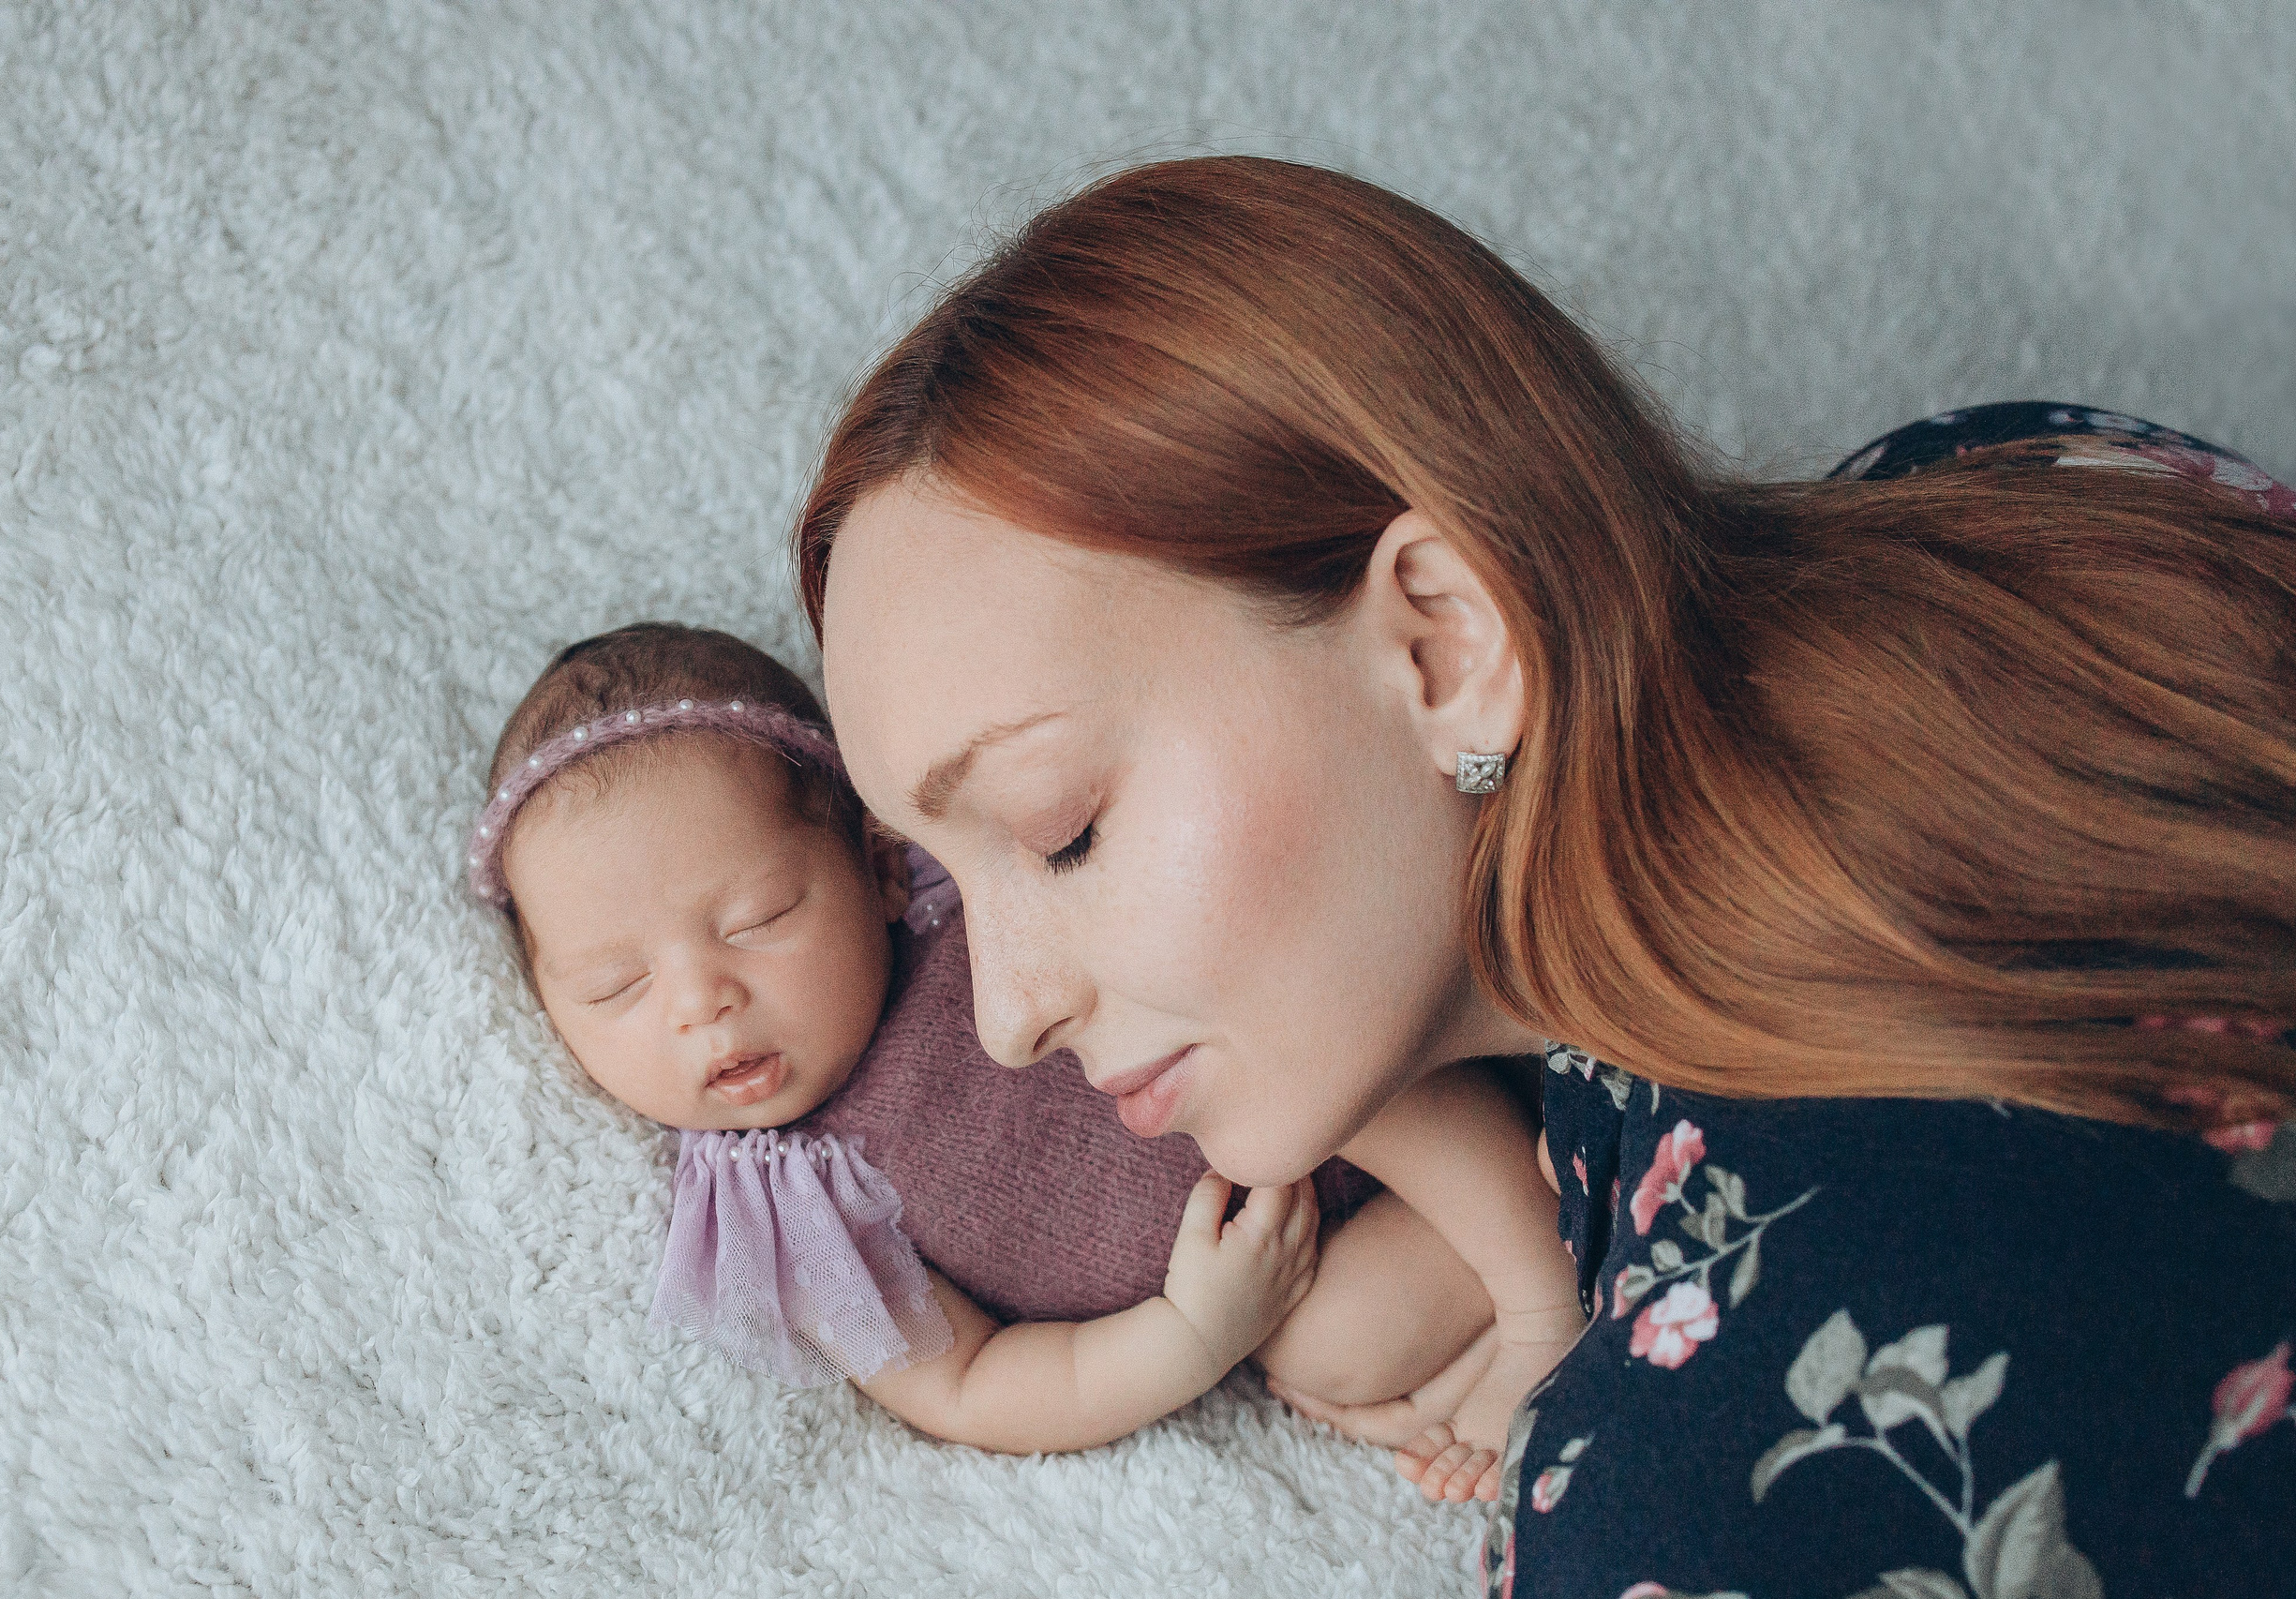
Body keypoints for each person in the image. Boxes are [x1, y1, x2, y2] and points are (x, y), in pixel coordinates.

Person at [797, 156, 2296, 1593]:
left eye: (1061, 830)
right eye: (933, 879)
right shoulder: (2014, 486)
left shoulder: (1705, 1490)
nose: (1003, 1019)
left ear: (1449, 644)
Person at [466, 621, 1573, 1459]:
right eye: (614, 986)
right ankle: (1574, 1220)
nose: (701, 1001)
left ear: (881, 860)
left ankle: (1538, 1290)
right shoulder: (784, 1204)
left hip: (1345, 1070)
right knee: (1333, 1350)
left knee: (1314, 1046)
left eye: (758, 921)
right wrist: (1194, 1333)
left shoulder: (971, 920)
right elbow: (970, 1382)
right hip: (1296, 1253)